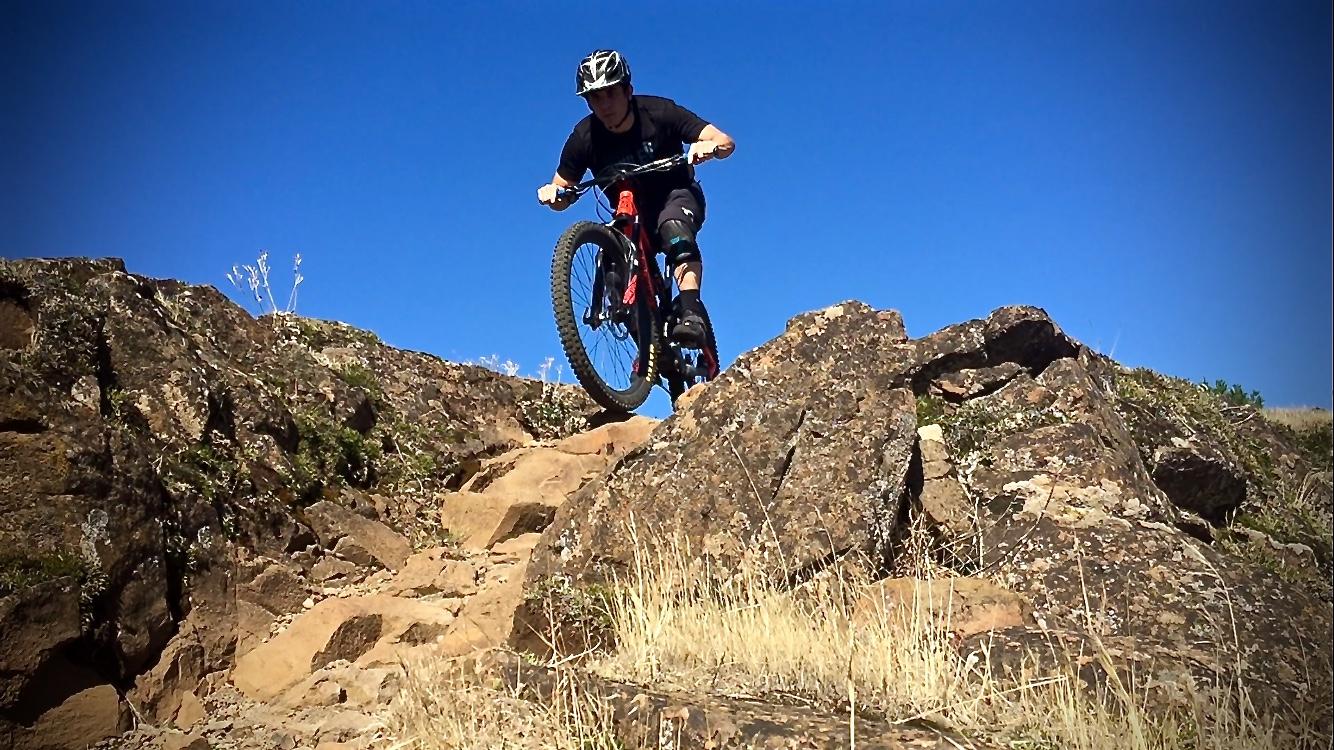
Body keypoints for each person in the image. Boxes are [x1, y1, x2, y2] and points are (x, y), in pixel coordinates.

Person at [536, 49, 735, 347]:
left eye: (610, 93)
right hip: (628, 213)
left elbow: (725, 141)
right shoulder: (584, 137)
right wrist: (553, 194)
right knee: (613, 268)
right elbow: (563, 189)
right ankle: (649, 351)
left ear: (628, 90)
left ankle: (691, 314)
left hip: (675, 195)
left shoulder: (659, 113)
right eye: (595, 97)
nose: (604, 104)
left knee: (674, 230)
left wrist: (707, 147)